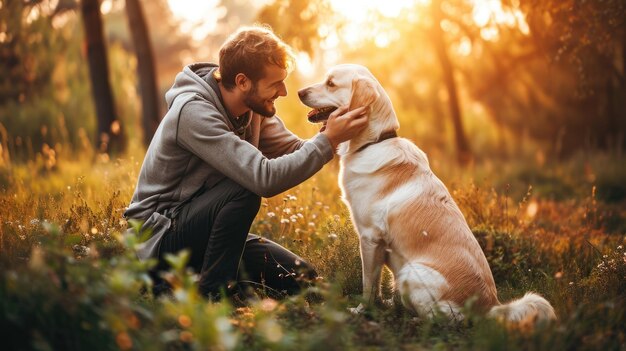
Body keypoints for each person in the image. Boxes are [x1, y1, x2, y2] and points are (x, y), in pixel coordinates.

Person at [123, 25, 368, 300]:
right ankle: (212, 298)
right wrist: (328, 142)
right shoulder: (193, 112)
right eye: (275, 83)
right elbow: (264, 179)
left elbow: (298, 150)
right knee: (245, 188)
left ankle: (205, 281)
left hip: (204, 232)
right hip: (158, 240)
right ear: (242, 82)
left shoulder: (254, 109)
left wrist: (338, 133)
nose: (284, 91)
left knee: (303, 278)